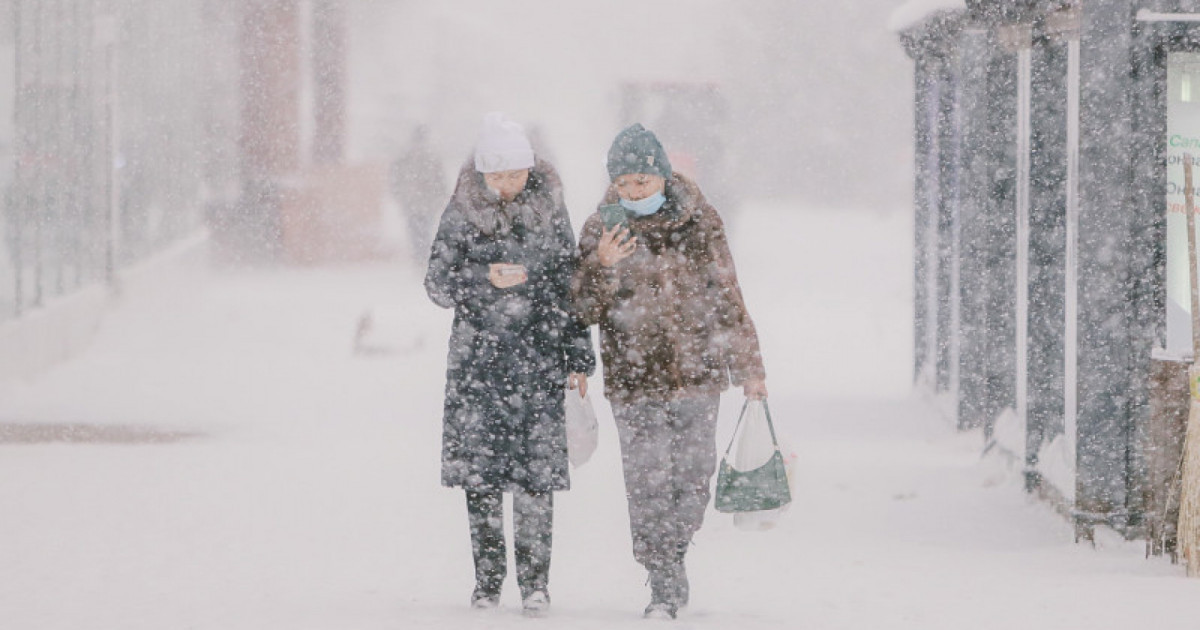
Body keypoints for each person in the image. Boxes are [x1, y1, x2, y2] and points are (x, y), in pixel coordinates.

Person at [572, 123, 767, 619]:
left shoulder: (700, 220)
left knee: (694, 477)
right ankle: (663, 576)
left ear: (662, 175)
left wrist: (750, 368)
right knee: (648, 481)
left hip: (697, 371)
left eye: (642, 180)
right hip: (633, 379)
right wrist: (601, 264)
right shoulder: (601, 228)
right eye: (623, 182)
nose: (634, 191)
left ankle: (673, 549)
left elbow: (727, 293)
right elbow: (581, 309)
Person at [424, 113, 594, 615]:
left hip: (539, 359)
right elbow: (437, 282)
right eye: (496, 176)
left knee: (536, 480)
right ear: (481, 173)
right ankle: (487, 582)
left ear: (530, 169)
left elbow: (570, 284)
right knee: (481, 480)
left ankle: (536, 584)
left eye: (515, 174)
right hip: (478, 364)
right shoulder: (460, 211)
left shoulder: (551, 209)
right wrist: (483, 279)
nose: (506, 185)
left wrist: (579, 355)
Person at [390, 124, 447, 266]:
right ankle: (422, 255)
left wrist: (400, 195)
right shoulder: (427, 157)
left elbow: (396, 179)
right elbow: (440, 180)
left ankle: (420, 255)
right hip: (422, 201)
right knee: (421, 229)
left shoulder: (406, 157)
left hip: (416, 201)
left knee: (417, 229)